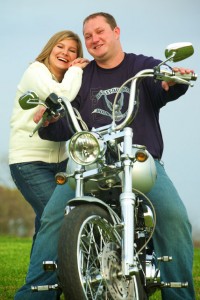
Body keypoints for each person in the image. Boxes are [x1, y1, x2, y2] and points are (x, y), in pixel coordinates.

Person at [14, 12, 195, 300]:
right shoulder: (82, 76)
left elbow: (164, 86)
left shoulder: (141, 67)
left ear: (116, 32)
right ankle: (35, 293)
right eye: (88, 36)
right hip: (91, 163)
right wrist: (48, 121)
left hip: (139, 161)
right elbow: (66, 122)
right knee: (52, 217)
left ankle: (180, 294)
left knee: (173, 216)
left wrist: (173, 80)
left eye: (99, 32)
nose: (94, 39)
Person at [9, 30, 89, 248]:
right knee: (60, 218)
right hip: (29, 162)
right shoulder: (36, 71)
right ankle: (45, 279)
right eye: (60, 47)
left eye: (72, 51)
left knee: (46, 223)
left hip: (60, 163)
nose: (65, 53)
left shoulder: (67, 80)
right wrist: (75, 71)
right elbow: (60, 95)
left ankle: (41, 280)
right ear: (50, 48)